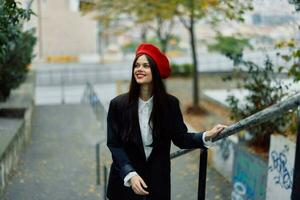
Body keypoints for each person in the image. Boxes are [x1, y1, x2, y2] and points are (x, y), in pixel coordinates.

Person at [106, 43, 226, 200]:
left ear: (155, 71)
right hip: (124, 184)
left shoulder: (170, 104)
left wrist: (206, 135)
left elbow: (180, 138)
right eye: (136, 65)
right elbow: (114, 144)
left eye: (145, 66)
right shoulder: (118, 105)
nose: (139, 69)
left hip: (156, 184)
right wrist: (130, 173)